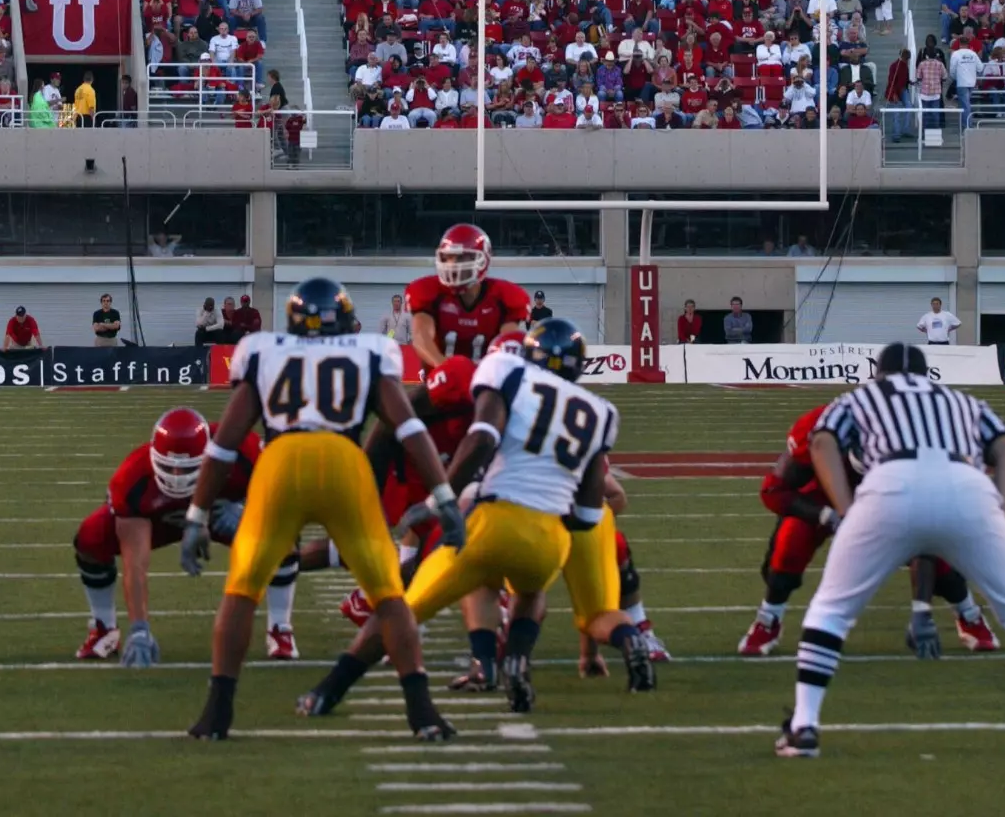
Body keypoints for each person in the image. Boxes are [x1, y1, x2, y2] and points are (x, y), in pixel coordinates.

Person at [297, 317, 651, 720]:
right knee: (530, 593)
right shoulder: (601, 412)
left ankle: (329, 690)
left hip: (494, 520)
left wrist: (437, 503)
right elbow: (588, 513)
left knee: (401, 611)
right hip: (550, 541)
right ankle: (516, 659)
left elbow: (482, 437)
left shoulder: (505, 370)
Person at [179, 276, 464, 742]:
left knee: (243, 588)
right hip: (342, 463)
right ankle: (422, 711)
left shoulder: (264, 352)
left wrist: (195, 514)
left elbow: (224, 445)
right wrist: (445, 495)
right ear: (346, 320)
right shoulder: (369, 352)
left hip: (281, 464)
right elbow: (409, 429)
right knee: (389, 594)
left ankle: (217, 713)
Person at [776, 342, 1005, 760]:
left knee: (831, 609)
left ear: (878, 374)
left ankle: (805, 726)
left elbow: (823, 442)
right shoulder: (961, 399)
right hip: (967, 486)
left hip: (890, 483)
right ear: (925, 373)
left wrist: (848, 509)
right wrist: (1001, 512)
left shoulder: (859, 397)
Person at [739, 395, 998, 660]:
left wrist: (921, 611)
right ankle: (769, 618)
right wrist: (825, 515)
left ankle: (968, 614)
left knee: (936, 555)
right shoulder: (822, 429)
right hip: (826, 492)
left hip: (891, 498)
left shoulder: (921, 445)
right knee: (792, 540)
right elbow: (773, 490)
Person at [72, 407, 299, 665]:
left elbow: (282, 495)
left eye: (187, 468)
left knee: (282, 536)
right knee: (92, 536)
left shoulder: (241, 451)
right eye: (169, 467)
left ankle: (280, 628)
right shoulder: (134, 475)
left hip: (220, 513)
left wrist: (248, 510)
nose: (177, 477)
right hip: (161, 520)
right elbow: (135, 565)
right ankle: (104, 628)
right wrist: (139, 627)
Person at [405, 222, 530, 369]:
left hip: (486, 383)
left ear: (483, 260)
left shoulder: (503, 297)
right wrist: (445, 369)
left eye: (462, 257)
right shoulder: (428, 291)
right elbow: (421, 337)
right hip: (440, 382)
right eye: (449, 257)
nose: (452, 265)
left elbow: (509, 345)